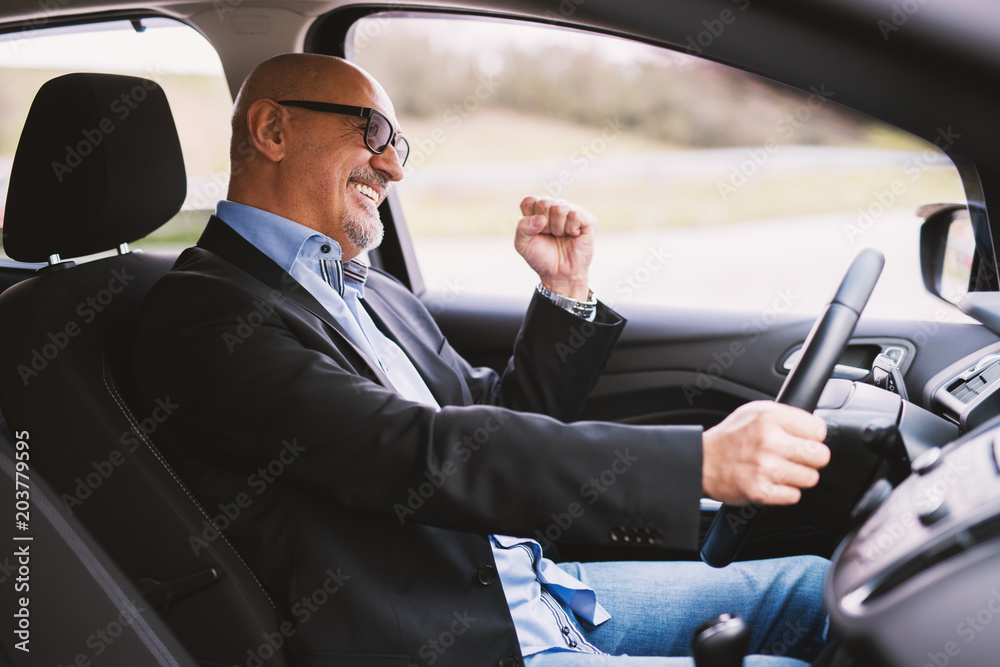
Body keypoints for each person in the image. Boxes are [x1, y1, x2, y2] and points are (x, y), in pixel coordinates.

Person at [133, 53, 832, 666]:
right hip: (455, 635)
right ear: (273, 130)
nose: (394, 165)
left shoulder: (369, 288)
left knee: (821, 587)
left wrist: (563, 292)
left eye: (398, 141)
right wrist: (696, 464)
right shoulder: (205, 319)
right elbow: (416, 452)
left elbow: (494, 417)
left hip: (533, 589)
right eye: (371, 131)